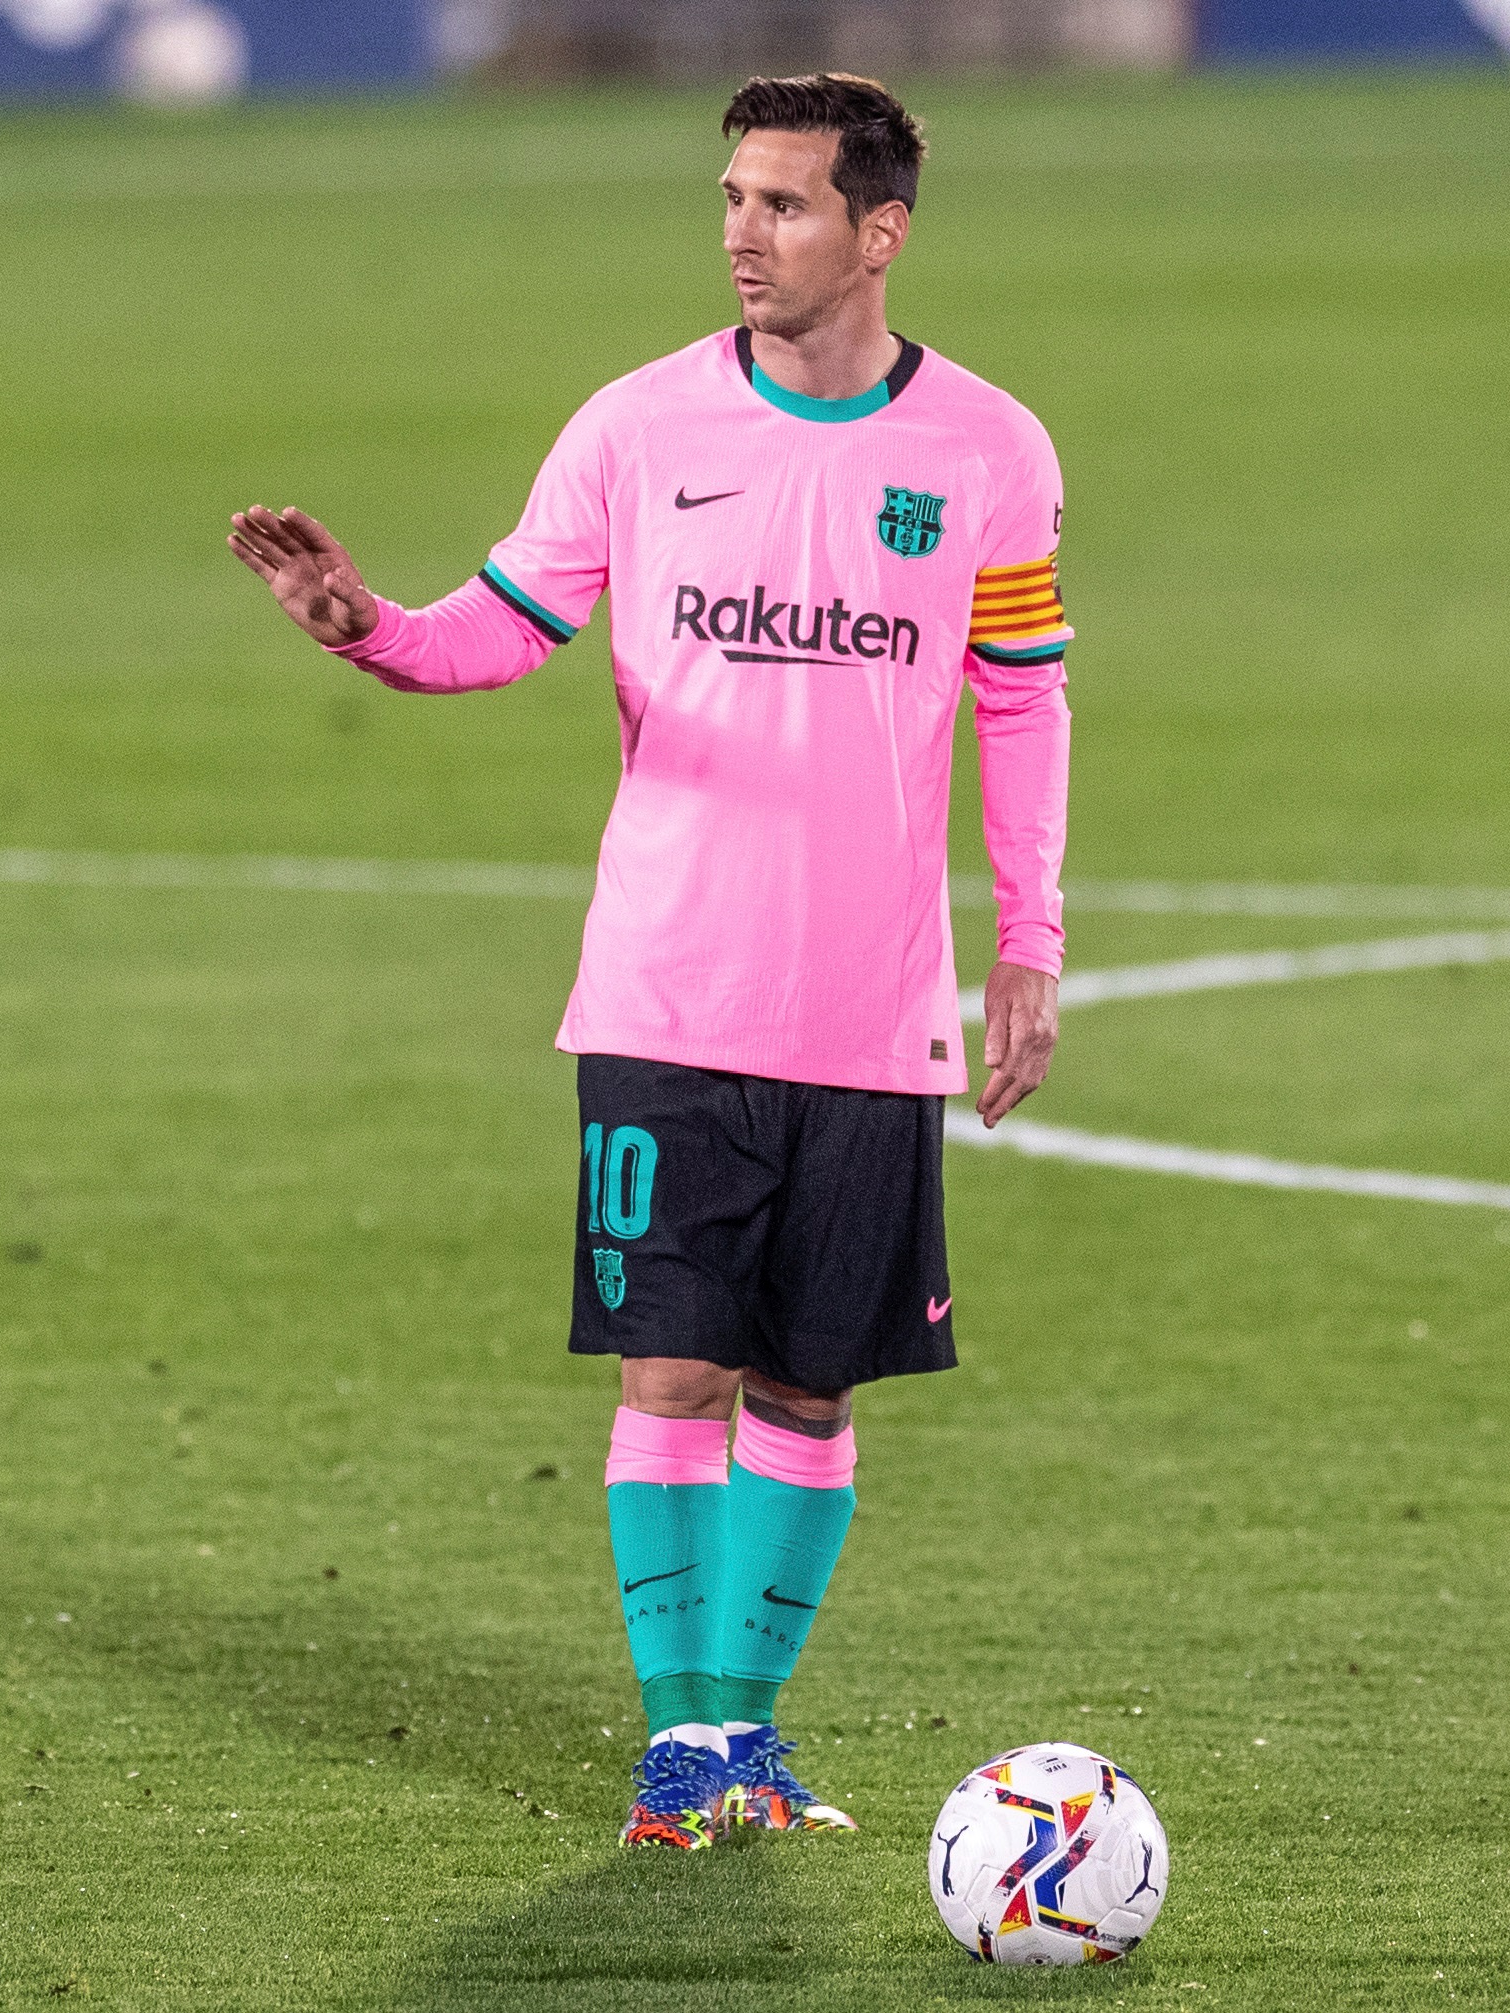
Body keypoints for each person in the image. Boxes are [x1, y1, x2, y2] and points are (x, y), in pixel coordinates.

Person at [227, 70, 1071, 1851]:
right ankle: (680, 1749)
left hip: (870, 1004)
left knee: (812, 1386)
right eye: (732, 200)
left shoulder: (988, 451)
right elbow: (498, 631)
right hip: (669, 993)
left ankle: (746, 1738)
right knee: (671, 1372)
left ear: (881, 232)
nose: (740, 235)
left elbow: (1023, 700)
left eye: (782, 205)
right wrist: (364, 626)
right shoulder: (635, 427)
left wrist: (1032, 945)